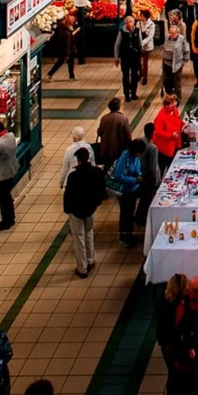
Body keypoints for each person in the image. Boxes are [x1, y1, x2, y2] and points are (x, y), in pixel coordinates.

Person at [63, 147, 106, 277]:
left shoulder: (73, 176)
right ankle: (90, 259)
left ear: (78, 160)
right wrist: (96, 203)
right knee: (89, 233)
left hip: (76, 211)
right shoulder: (97, 172)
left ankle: (82, 268)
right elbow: (101, 189)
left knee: (78, 238)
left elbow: (68, 195)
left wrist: (67, 209)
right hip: (90, 209)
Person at [156, 273, 188, 384]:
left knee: (173, 374)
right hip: (174, 346)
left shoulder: (164, 301)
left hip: (166, 345)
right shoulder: (177, 308)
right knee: (178, 375)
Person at [113, 137, 144, 247]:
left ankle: (130, 235)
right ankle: (124, 238)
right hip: (125, 192)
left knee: (130, 214)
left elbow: (138, 167)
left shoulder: (134, 157)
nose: (139, 155)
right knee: (125, 215)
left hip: (133, 190)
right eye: (139, 153)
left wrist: (139, 174)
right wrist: (134, 180)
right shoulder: (124, 157)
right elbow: (118, 175)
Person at [0, 122, 18, 231]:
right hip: (11, 169)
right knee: (7, 197)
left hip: (1, 175)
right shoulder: (11, 136)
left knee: (3, 199)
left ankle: (5, 222)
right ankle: (11, 218)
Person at [137, 122, 161, 225]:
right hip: (148, 178)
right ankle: (143, 219)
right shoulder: (152, 148)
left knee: (143, 199)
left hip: (140, 175)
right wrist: (157, 180)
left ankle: (138, 216)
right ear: (153, 133)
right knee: (146, 199)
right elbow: (153, 166)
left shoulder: (140, 141)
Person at [151, 95, 183, 174]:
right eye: (172, 105)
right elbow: (157, 132)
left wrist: (183, 125)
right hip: (165, 148)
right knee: (162, 168)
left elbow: (177, 119)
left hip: (174, 143)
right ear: (166, 105)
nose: (174, 106)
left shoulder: (174, 110)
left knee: (173, 166)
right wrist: (171, 135)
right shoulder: (161, 117)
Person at [96, 97, 131, 167]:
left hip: (106, 149)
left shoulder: (104, 118)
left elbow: (99, 132)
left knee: (107, 167)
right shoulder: (123, 118)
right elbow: (127, 135)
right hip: (119, 149)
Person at [114, 15, 142, 101]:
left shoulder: (137, 31)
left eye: (130, 22)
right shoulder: (122, 32)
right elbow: (117, 45)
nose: (129, 24)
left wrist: (140, 54)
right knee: (125, 76)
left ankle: (133, 93)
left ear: (134, 23)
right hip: (125, 57)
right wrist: (116, 57)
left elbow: (140, 43)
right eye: (127, 22)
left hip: (135, 57)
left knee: (134, 75)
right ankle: (126, 94)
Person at [161, 24, 190, 100]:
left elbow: (187, 51)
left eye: (173, 33)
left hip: (177, 66)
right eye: (170, 33)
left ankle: (178, 99)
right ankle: (169, 96)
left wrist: (183, 62)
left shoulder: (182, 39)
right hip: (166, 65)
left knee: (177, 85)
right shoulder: (167, 38)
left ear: (177, 33)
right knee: (165, 82)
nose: (171, 35)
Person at [47, 13, 78, 81]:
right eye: (72, 20)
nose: (73, 21)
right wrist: (67, 54)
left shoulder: (63, 28)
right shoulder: (66, 32)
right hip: (67, 50)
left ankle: (71, 76)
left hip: (66, 49)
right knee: (61, 62)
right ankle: (50, 74)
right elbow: (67, 43)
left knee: (69, 63)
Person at [138, 9, 156, 85]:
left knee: (145, 62)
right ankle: (140, 72)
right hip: (139, 45)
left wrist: (142, 43)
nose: (140, 17)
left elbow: (150, 36)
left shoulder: (152, 25)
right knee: (138, 61)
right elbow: (137, 32)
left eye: (142, 16)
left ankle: (145, 77)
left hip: (147, 46)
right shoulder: (139, 23)